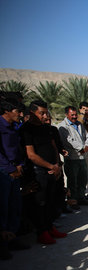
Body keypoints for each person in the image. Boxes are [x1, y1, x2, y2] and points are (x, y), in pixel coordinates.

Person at [19, 101, 67, 245]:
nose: (45, 116)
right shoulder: (26, 130)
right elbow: (31, 155)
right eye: (42, 113)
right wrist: (49, 165)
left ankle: (49, 227)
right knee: (40, 202)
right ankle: (42, 232)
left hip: (53, 170)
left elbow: (53, 147)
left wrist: (57, 165)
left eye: (46, 112)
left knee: (50, 200)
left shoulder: (47, 128)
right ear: (32, 113)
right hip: (37, 172)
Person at [0, 96, 26, 259]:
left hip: (16, 171)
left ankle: (13, 238)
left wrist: (20, 166)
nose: (20, 114)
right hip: (3, 172)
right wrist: (10, 169)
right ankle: (2, 244)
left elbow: (19, 149)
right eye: (17, 111)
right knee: (2, 209)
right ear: (6, 111)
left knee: (14, 206)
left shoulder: (15, 126)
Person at [58, 106, 88, 206]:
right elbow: (68, 141)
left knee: (83, 179)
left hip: (82, 157)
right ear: (66, 115)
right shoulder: (62, 127)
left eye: (75, 114)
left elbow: (87, 137)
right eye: (72, 115)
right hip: (72, 157)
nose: (74, 116)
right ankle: (73, 200)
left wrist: (87, 146)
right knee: (73, 181)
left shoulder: (79, 124)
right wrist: (81, 148)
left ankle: (81, 197)